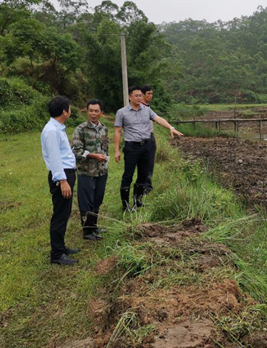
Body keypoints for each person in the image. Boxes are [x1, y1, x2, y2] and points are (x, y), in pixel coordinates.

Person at [114, 86, 183, 212]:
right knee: (128, 175)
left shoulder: (147, 110)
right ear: (130, 97)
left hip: (146, 146)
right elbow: (118, 131)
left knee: (143, 174)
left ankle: (138, 201)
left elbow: (158, 119)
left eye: (140, 95)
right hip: (131, 147)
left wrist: (170, 127)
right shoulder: (122, 112)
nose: (139, 98)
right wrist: (117, 150)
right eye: (136, 95)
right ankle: (125, 205)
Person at [41, 96, 79, 265]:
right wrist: (63, 181)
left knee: (64, 213)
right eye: (69, 108)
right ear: (64, 111)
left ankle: (61, 247)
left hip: (66, 174)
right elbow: (55, 158)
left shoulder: (58, 128)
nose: (70, 111)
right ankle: (56, 254)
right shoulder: (51, 131)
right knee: (60, 215)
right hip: (61, 176)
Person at [72, 99, 109, 241]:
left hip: (101, 171)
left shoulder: (104, 128)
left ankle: (94, 226)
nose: (93, 113)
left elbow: (105, 148)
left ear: (101, 112)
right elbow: (77, 152)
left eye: (96, 111)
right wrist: (94, 156)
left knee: (97, 200)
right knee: (86, 202)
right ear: (87, 111)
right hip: (86, 172)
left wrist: (104, 159)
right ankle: (87, 231)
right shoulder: (80, 129)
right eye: (91, 111)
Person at [140, 85, 156, 194]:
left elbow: (157, 118)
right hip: (144, 137)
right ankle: (145, 187)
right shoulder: (140, 108)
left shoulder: (148, 107)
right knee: (145, 163)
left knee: (150, 163)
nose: (151, 96)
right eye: (148, 94)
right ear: (143, 94)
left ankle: (148, 185)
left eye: (151, 93)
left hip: (151, 136)